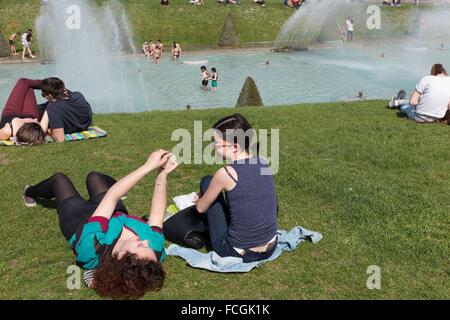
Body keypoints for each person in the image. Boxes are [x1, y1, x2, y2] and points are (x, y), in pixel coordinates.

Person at [22, 150, 179, 299]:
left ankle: (29, 192)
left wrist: (148, 166)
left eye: (141, 247)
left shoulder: (93, 246)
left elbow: (111, 197)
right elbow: (158, 214)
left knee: (59, 179)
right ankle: (123, 184)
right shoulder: (154, 251)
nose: (146, 243)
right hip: (116, 214)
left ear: (122, 256)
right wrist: (162, 176)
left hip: (79, 219)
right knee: (94, 177)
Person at [194, 114, 278, 263]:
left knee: (207, 181)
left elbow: (200, 208)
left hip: (237, 252)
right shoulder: (263, 161)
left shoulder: (226, 174)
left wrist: (199, 199)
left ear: (234, 147)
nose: (213, 147)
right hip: (271, 246)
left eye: (216, 143)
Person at [39, 77, 93, 142]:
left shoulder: (53, 108)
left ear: (50, 96)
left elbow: (59, 138)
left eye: (43, 95)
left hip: (71, 128)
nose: (44, 97)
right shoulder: (78, 95)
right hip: (84, 126)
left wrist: (49, 132)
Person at [0, 78, 49, 145]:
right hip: (30, 114)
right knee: (28, 86)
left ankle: (50, 84)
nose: (36, 120)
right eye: (36, 122)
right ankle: (52, 86)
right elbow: (47, 111)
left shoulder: (7, 131)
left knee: (24, 82)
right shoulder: (38, 129)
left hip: (11, 113)